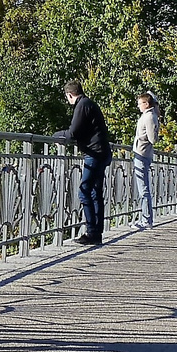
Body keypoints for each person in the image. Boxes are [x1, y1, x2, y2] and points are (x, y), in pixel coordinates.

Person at [54, 80, 111, 244]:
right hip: (102, 152)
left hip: (95, 153)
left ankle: (92, 232)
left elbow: (73, 133)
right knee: (95, 193)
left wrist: (56, 136)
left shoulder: (82, 105)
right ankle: (97, 233)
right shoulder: (89, 103)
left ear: (70, 95)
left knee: (84, 191)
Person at [130, 92, 159, 231]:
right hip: (142, 153)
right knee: (143, 188)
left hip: (142, 154)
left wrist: (142, 140)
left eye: (140, 103)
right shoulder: (149, 115)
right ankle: (145, 219)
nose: (138, 106)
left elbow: (153, 139)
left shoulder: (149, 117)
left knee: (144, 189)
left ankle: (146, 220)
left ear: (146, 104)